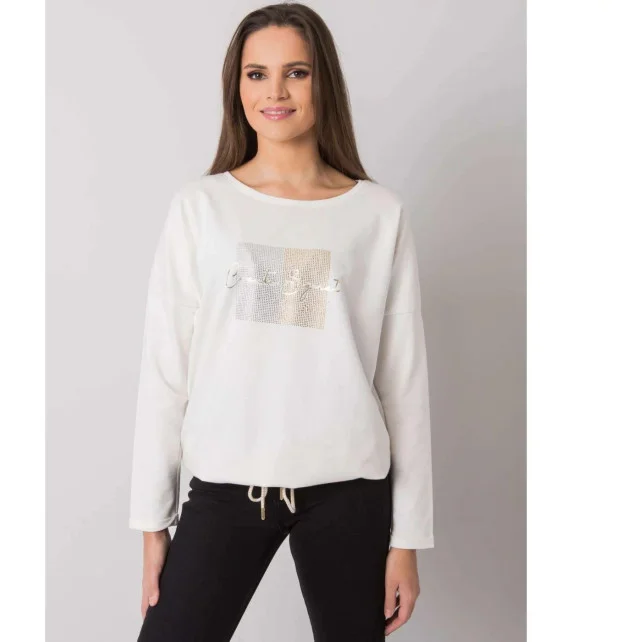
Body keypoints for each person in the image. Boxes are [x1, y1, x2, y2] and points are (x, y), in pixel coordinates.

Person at [128, 3, 434, 640]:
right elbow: (165, 371)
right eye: (256, 74)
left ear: (324, 82)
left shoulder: (378, 215)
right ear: (236, 86)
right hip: (227, 487)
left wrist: (407, 538)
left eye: (296, 72)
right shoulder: (201, 207)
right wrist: (153, 524)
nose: (275, 92)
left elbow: (402, 384)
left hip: (348, 492)